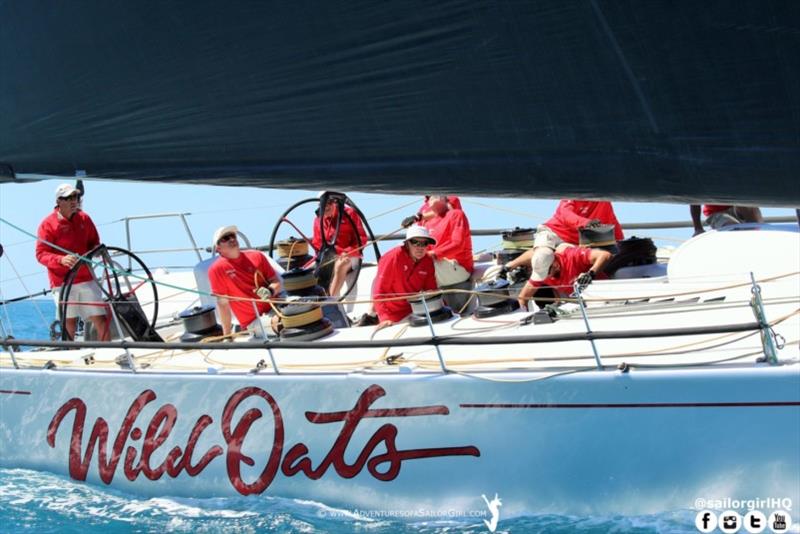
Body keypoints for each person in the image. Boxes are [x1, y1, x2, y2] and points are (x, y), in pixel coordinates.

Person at [35, 183, 110, 340]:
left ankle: (107, 353)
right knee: (69, 322)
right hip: (63, 282)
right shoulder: (47, 225)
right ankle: (70, 355)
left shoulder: (84, 218)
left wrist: (98, 250)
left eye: (75, 197)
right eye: (69, 198)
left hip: (86, 278)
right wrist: (61, 259)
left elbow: (94, 242)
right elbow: (41, 254)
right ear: (59, 201)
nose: (73, 201)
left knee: (100, 319)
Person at [505, 200, 623, 278]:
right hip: (555, 232)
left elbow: (612, 225)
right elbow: (566, 214)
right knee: (543, 253)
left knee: (562, 257)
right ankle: (509, 266)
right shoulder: (573, 195)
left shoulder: (604, 204)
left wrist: (620, 244)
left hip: (577, 241)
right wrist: (586, 223)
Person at [208, 225, 282, 337]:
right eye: (225, 238)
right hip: (254, 321)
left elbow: (276, 281)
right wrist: (227, 336)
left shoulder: (257, 256)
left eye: (232, 236)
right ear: (218, 248)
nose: (232, 239)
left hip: (277, 306)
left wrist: (270, 291)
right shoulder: (216, 270)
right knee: (284, 323)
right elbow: (223, 304)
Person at [373, 225, 438, 328]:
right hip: (391, 317)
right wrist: (384, 318)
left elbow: (432, 291)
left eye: (424, 243)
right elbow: (379, 291)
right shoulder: (392, 257)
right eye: (415, 242)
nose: (420, 247)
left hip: (414, 313)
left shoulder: (428, 261)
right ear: (407, 243)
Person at [516, 244, 612, 310]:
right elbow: (523, 298)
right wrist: (525, 316)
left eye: (546, 273)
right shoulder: (541, 271)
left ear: (555, 265)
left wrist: (591, 273)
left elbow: (605, 255)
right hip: (579, 303)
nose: (544, 277)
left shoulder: (573, 255)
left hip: (604, 295)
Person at [311, 195, 368, 297]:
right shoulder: (318, 220)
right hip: (329, 257)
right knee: (308, 273)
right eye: (323, 204)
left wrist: (347, 252)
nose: (326, 207)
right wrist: (326, 256)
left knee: (340, 265)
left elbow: (361, 239)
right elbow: (317, 243)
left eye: (329, 203)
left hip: (351, 255)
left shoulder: (350, 214)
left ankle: (330, 302)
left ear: (335, 203)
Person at [422, 194, 474, 286]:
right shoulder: (427, 224)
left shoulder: (456, 214)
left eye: (436, 194)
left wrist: (432, 254)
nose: (433, 196)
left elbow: (458, 245)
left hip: (459, 266)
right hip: (439, 265)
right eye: (430, 197)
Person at [690, 204, 763, 234]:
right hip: (716, 212)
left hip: (737, 205)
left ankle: (756, 234)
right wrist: (698, 229)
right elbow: (694, 199)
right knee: (732, 229)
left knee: (750, 207)